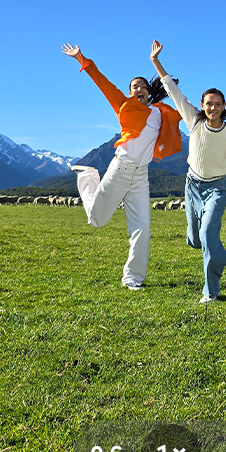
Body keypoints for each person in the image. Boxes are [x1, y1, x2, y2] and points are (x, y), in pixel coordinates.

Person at [62, 43, 178, 287]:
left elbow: (183, 104)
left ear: (149, 92)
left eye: (143, 86)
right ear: (129, 93)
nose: (139, 89)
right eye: (134, 87)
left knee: (142, 229)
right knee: (97, 220)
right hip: (120, 169)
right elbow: (102, 83)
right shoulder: (124, 106)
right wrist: (81, 58)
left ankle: (133, 277)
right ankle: (87, 176)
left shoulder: (162, 111)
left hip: (141, 177)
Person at [150, 39, 226, 301]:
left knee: (207, 232)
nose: (213, 108)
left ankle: (211, 290)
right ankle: (217, 253)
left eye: (218, 104)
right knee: (195, 238)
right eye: (208, 103)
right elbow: (173, 91)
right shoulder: (193, 121)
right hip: (192, 186)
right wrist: (155, 61)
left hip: (218, 187)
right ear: (202, 106)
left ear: (224, 107)